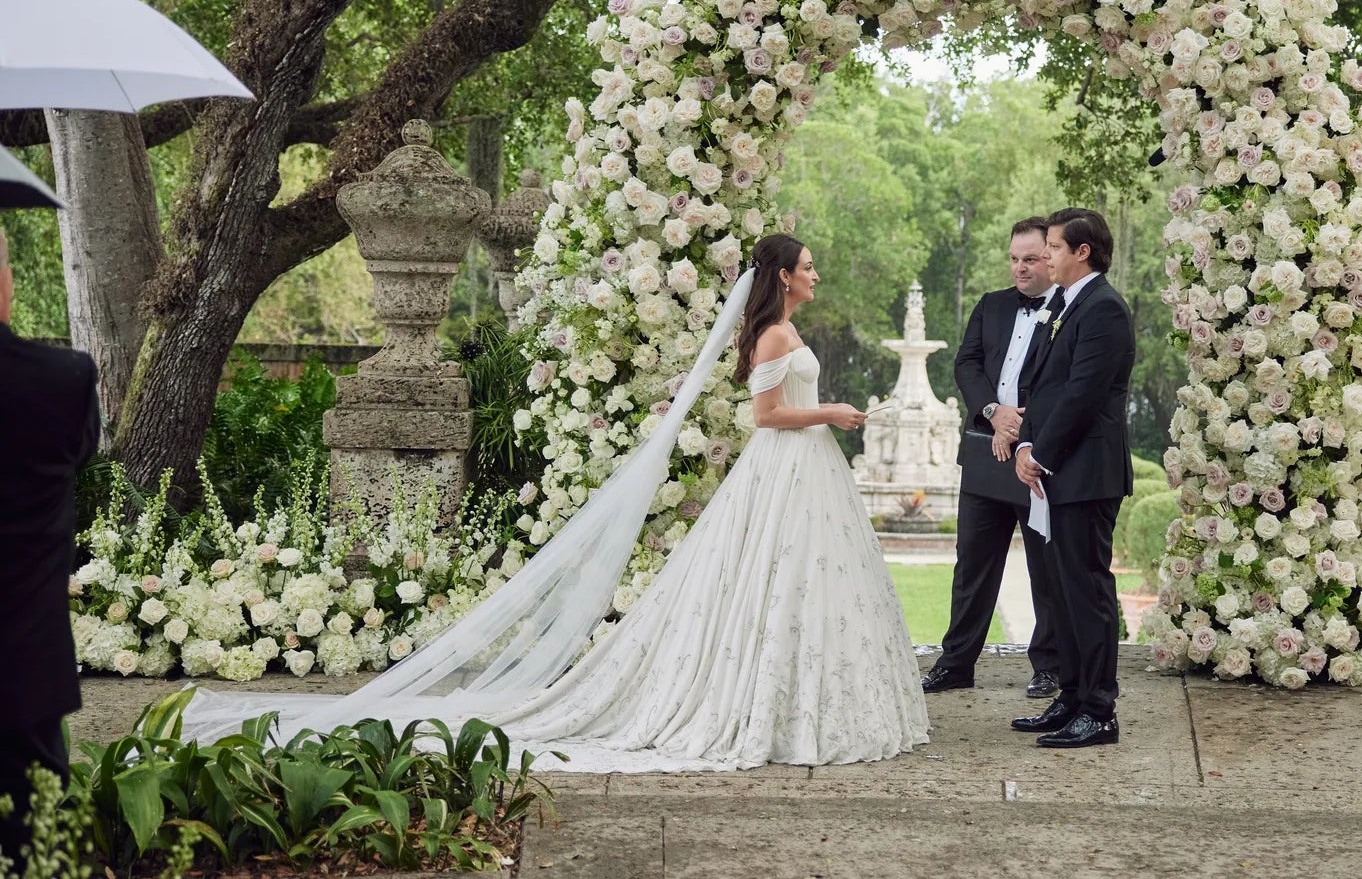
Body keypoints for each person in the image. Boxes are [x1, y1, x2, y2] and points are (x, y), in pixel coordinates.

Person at [186, 235, 929, 772]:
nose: (816, 273)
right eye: (807, 267)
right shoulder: (770, 337)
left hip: (809, 475)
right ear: (785, 278)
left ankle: (814, 697)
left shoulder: (788, 329)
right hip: (784, 464)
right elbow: (765, 420)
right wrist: (829, 411)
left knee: (810, 583)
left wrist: (826, 416)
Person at [924, 217, 1065, 698]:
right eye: (1014, 259)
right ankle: (956, 663)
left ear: (1050, 257)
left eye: (1030, 259)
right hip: (985, 452)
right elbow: (965, 363)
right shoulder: (991, 305)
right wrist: (994, 411)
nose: (1020, 268)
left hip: (1039, 456)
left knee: (1045, 569)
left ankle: (1050, 666)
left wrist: (1022, 428)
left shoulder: (1072, 308)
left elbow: (1069, 385)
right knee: (972, 566)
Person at [1012, 208, 1135, 749]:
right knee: (1061, 591)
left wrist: (1039, 451)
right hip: (1056, 469)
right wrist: (1023, 444)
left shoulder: (1104, 309)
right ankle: (1072, 695)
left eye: (1055, 248)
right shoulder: (1062, 305)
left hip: (1086, 472)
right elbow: (1039, 388)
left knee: (1088, 591)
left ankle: (1099, 709)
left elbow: (1082, 394)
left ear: (1082, 252)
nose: (1046, 257)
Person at [0, 227, 100, 865]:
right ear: (4, 284)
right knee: (32, 846)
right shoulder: (62, 379)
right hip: (24, 665)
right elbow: (83, 451)